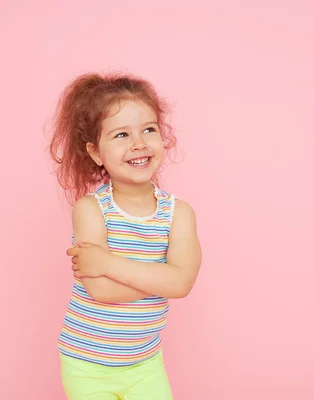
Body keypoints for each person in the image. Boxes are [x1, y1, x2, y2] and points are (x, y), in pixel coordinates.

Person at [48, 72, 202, 399]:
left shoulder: (179, 214)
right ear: (95, 153)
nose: (138, 143)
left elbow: (182, 285)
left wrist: (104, 261)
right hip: (86, 363)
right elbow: (101, 289)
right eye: (121, 134)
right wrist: (163, 277)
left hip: (145, 364)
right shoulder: (91, 210)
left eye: (149, 129)